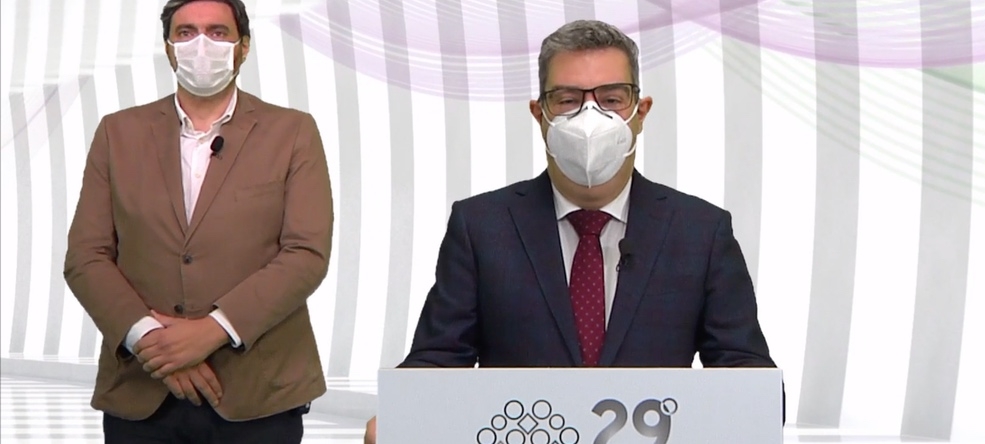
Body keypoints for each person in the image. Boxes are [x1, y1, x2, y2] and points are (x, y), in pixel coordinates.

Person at [364, 19, 773, 442]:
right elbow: (437, 365)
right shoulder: (481, 228)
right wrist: (400, 415)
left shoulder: (701, 232)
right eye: (568, 100)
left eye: (611, 99)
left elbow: (750, 380)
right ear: (539, 114)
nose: (590, 116)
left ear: (640, 112)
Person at [63, 0, 334, 442]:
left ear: (244, 47)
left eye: (218, 32)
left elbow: (306, 254)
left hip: (259, 393)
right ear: (168, 47)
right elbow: (86, 256)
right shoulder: (117, 133)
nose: (201, 45)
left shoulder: (292, 132)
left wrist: (212, 331)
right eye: (186, 33)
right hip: (142, 391)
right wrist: (152, 343)